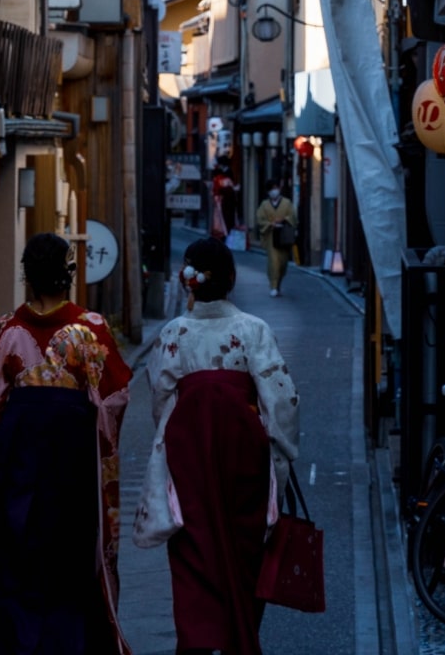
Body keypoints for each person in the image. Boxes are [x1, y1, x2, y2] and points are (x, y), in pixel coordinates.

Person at [0, 234, 133, 655]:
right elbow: (114, 400)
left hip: (20, 465)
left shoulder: (8, 330)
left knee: (19, 560)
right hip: (72, 466)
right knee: (71, 562)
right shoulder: (88, 329)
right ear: (68, 274)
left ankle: (21, 644)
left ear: (28, 277)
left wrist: (6, 430)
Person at [133, 239, 300, 655]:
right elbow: (281, 400)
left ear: (188, 282)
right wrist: (280, 457)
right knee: (245, 555)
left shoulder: (173, 334)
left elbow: (160, 400)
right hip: (245, 455)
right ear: (232, 278)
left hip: (189, 455)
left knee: (193, 552)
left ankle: (198, 643)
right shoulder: (252, 330)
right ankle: (240, 640)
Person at [255, 182, 298, 297]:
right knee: (273, 261)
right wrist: (270, 224)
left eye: (275, 188)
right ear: (268, 192)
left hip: (284, 235)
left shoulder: (287, 203)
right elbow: (260, 219)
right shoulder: (264, 205)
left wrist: (284, 219)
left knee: (283, 262)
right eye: (271, 189)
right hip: (271, 236)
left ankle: (278, 283)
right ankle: (273, 285)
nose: (274, 191)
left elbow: (293, 217)